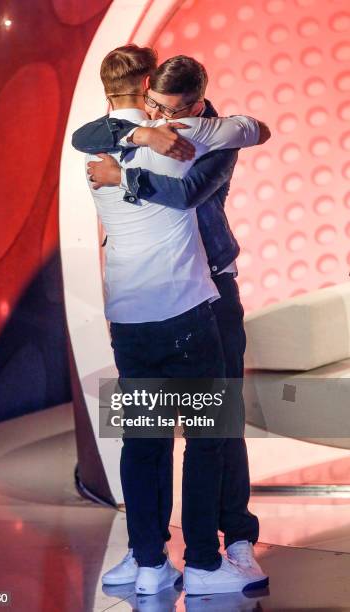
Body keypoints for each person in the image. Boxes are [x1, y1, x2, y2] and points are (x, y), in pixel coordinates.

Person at [72, 45, 270, 596]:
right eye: (153, 107)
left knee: (218, 427)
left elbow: (190, 190)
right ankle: (157, 555)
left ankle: (234, 542)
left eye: (169, 108)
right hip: (161, 308)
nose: (163, 118)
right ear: (143, 95)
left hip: (211, 294)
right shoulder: (122, 136)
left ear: (195, 101)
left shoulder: (210, 134)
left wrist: (128, 175)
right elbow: (88, 134)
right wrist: (138, 136)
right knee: (153, 436)